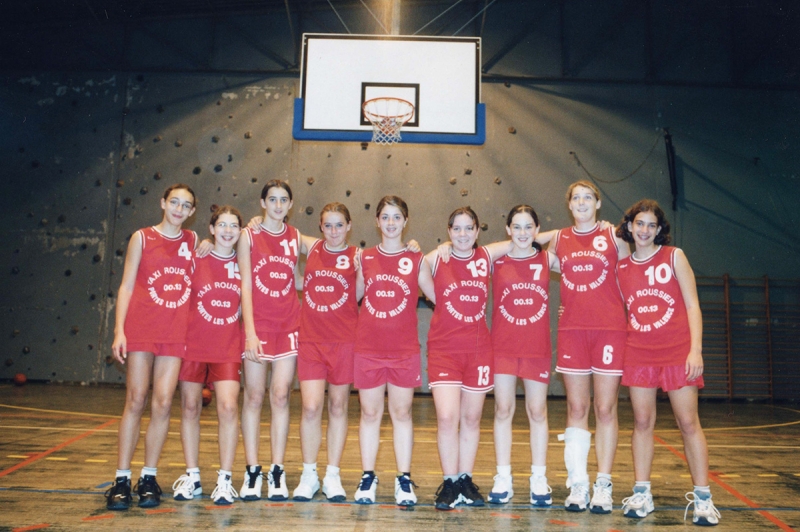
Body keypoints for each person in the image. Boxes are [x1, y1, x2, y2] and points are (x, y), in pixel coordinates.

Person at [615, 200, 719, 526]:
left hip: (677, 352)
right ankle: (642, 493)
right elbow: (616, 309)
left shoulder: (674, 257)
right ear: (629, 226)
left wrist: (696, 350)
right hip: (639, 353)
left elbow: (692, 306)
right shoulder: (621, 268)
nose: (644, 230)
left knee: (688, 423)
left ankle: (703, 498)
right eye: (639, 223)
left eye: (651, 225)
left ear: (659, 229)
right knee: (642, 423)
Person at [105, 184, 198, 510]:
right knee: (136, 399)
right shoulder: (142, 237)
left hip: (175, 333)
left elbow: (231, 240)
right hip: (142, 328)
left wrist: (255, 223)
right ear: (162, 203)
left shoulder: (193, 241)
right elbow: (127, 285)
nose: (179, 209)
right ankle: (120, 479)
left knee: (161, 403)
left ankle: (148, 477)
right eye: (174, 202)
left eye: (186, 205)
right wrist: (119, 331)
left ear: (191, 212)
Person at [546, 180, 630, 513]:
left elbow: (635, 270)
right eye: (576, 198)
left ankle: (604, 484)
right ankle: (578, 483)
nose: (581, 202)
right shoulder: (559, 239)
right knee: (577, 409)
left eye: (588, 197)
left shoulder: (614, 237)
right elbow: (527, 247)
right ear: (570, 205)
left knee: (606, 409)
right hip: (572, 331)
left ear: (598, 203)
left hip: (610, 331)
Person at [424, 207, 513, 511]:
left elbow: (524, 237)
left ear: (477, 231)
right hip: (444, 349)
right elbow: (411, 267)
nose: (462, 235)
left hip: (478, 351)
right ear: (448, 231)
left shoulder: (486, 257)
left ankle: (465, 479)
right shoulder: (437, 259)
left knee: (472, 419)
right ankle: (449, 482)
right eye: (456, 229)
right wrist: (424, 247)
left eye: (468, 229)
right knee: (448, 418)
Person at [353, 196, 435, 507]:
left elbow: (441, 297)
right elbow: (353, 298)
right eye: (385, 217)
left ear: (405, 220)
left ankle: (403, 479)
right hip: (368, 349)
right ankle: (368, 476)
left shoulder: (417, 260)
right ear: (377, 221)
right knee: (370, 414)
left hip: (403, 351)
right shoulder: (366, 258)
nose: (390, 223)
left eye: (396, 217)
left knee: (402, 414)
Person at [487, 205, 561, 507]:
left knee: (537, 412)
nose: (522, 233)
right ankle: (503, 477)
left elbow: (584, 278)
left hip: (536, 348)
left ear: (538, 228)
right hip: (503, 347)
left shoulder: (548, 258)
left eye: (528, 227)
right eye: (516, 227)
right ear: (507, 230)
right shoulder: (496, 261)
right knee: (503, 410)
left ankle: (538, 478)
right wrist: (515, 244)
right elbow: (469, 252)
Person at [171, 206, 243, 506]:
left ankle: (225, 479)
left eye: (234, 225)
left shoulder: (245, 262)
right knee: (190, 407)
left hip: (227, 344)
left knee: (227, 407)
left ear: (241, 231)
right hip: (193, 343)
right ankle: (192, 475)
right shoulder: (196, 257)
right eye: (222, 225)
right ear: (211, 229)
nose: (227, 230)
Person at [238, 180, 305, 501]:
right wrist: (249, 331)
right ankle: (253, 470)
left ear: (290, 205)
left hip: (289, 324)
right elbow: (246, 285)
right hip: (257, 326)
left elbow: (334, 246)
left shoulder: (295, 236)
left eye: (284, 200)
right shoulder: (248, 235)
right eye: (272, 200)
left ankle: (276, 470)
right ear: (262, 202)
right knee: (253, 396)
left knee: (280, 396)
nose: (278, 205)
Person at [291, 203, 360, 502]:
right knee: (310, 407)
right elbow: (278, 233)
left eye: (339, 225)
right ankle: (309, 474)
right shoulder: (312, 246)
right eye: (328, 225)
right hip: (311, 342)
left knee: (338, 407)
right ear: (320, 227)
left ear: (349, 226)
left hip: (344, 342)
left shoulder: (359, 257)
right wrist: (256, 220)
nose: (333, 231)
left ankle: (332, 474)